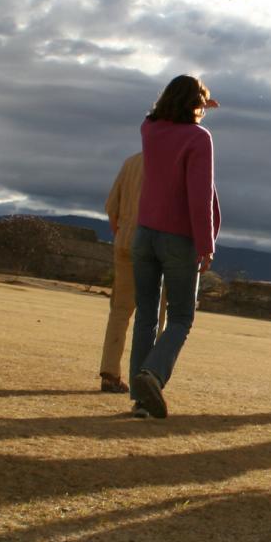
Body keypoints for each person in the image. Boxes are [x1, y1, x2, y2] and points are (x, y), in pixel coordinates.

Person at [128, 76, 221, 419]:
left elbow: (159, 116)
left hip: (144, 234)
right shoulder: (199, 138)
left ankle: (141, 400)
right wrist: (206, 244)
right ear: (193, 103)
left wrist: (198, 103)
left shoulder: (149, 130)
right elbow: (198, 195)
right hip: (178, 238)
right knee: (181, 316)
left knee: (146, 315)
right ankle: (152, 375)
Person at [97, 151, 165, 393]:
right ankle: (149, 375)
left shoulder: (131, 162)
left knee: (120, 311)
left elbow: (111, 208)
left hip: (126, 241)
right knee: (155, 316)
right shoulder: (173, 160)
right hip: (156, 247)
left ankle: (109, 372)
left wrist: (123, 235)